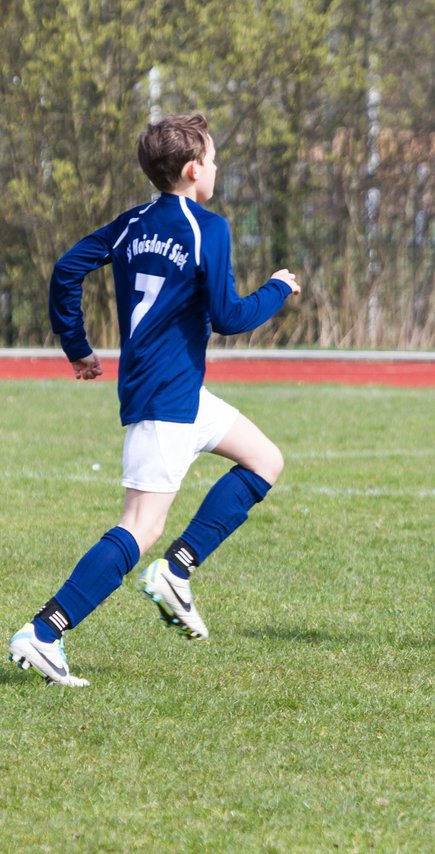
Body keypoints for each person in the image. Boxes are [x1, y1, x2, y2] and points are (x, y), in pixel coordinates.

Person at [8, 112, 301, 686]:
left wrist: (77, 347)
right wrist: (279, 288)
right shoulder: (207, 227)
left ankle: (178, 570)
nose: (217, 170)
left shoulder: (130, 223)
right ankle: (43, 633)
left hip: (179, 390)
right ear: (194, 170)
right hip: (166, 397)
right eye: (214, 161)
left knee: (265, 460)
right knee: (140, 526)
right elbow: (229, 316)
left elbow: (67, 268)